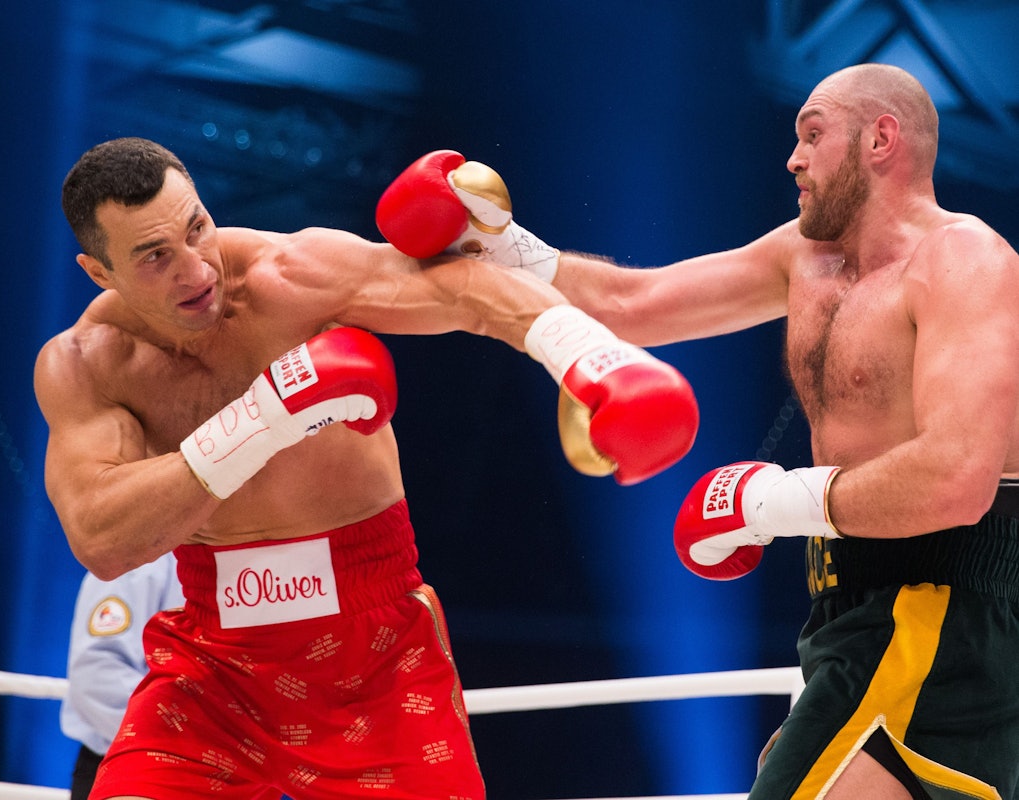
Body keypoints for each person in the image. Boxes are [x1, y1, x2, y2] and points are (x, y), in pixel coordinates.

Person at [380, 64, 1019, 799]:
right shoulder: (803, 256)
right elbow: (634, 302)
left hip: (936, 599)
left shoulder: (964, 261)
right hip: (850, 604)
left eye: (812, 135)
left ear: (881, 139)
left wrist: (766, 503)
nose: (793, 159)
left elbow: (955, 480)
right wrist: (507, 248)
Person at [34, 137, 699, 800]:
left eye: (196, 228)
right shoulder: (88, 364)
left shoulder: (289, 273)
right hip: (213, 667)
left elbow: (466, 290)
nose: (195, 269)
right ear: (99, 272)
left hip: (378, 652)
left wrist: (588, 355)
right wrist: (263, 419)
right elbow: (103, 539)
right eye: (155, 257)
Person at [60, 553, 184, 800]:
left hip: (212, 770)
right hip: (133, 770)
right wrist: (186, 741)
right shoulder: (141, 557)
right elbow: (97, 677)